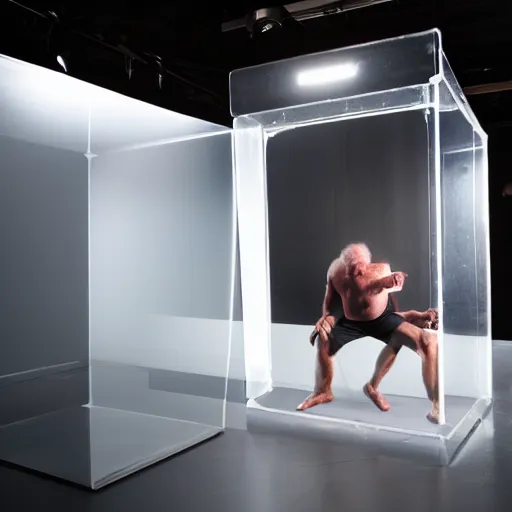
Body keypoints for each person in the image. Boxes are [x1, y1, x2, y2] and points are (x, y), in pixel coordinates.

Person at [297, 243, 440, 423]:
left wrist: (393, 281)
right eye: (350, 269)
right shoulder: (335, 270)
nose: (354, 273)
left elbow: (387, 289)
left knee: (426, 340)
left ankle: (436, 404)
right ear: (343, 263)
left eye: (359, 269)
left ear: (368, 264)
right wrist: (325, 318)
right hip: (349, 322)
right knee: (323, 339)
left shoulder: (381, 270)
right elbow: (330, 300)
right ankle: (323, 391)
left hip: (381, 320)